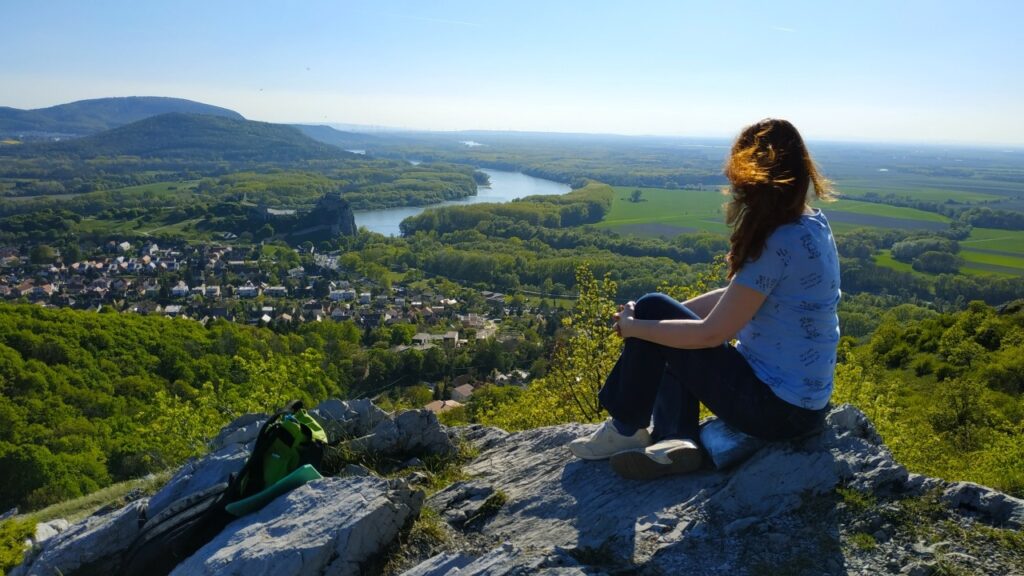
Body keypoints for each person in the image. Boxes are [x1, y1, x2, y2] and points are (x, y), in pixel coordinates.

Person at [568, 118, 841, 480]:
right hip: (802, 407)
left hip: (774, 410)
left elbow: (711, 335)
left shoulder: (777, 243)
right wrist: (666, 321)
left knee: (653, 312)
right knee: (663, 323)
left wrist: (639, 327)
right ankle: (677, 441)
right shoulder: (811, 227)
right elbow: (737, 298)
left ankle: (626, 429)